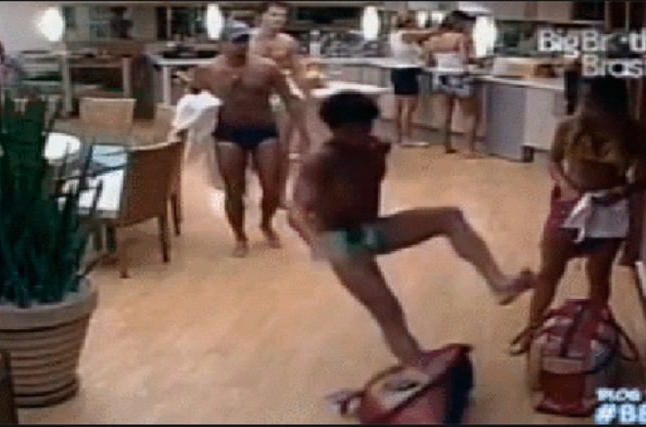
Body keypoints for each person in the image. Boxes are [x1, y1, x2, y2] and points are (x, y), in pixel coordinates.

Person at [288, 91, 535, 369]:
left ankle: (499, 284)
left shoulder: (373, 148)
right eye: (354, 130)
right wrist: (317, 244)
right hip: (342, 241)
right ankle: (415, 362)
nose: (362, 134)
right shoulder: (320, 161)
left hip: (372, 228)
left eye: (366, 126)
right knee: (386, 308)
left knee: (450, 217)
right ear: (336, 129)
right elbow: (296, 211)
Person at [508, 75, 646, 355]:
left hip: (609, 211)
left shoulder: (634, 132)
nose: (589, 106)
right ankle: (532, 329)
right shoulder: (569, 126)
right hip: (569, 207)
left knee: (599, 277)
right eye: (586, 99)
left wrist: (624, 191)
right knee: (549, 272)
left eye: (595, 101)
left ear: (614, 104)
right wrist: (565, 185)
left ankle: (595, 333)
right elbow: (553, 160)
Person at [192, 22, 296, 257]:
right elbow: (191, 100)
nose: (242, 46)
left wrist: (301, 133)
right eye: (236, 41)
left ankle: (266, 223)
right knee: (234, 189)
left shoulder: (266, 67)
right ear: (222, 44)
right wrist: (191, 127)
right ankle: (239, 235)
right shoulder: (208, 70)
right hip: (228, 132)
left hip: (263, 129)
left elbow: (289, 99)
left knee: (271, 187)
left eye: (245, 40)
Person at [249, 1, 312, 204]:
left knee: (283, 148)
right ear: (262, 17)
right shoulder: (249, 41)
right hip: (255, 98)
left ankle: (281, 194)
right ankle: (257, 190)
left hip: (282, 97)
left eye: (282, 16)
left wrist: (302, 92)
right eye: (274, 15)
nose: (278, 20)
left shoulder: (288, 42)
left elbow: (297, 70)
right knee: (255, 146)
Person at [423, 10, 479, 156]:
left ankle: (445, 145)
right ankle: (468, 148)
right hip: (459, 76)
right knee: (469, 114)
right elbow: (465, 59)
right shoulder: (461, 38)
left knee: (445, 113)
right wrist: (476, 60)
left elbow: (428, 61)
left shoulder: (434, 39)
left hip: (440, 76)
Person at [387, 12, 442, 148]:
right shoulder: (405, 34)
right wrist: (439, 29)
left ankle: (398, 137)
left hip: (398, 70)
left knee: (399, 106)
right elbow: (426, 34)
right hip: (407, 72)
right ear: (408, 23)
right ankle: (407, 138)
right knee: (408, 107)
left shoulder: (394, 35)